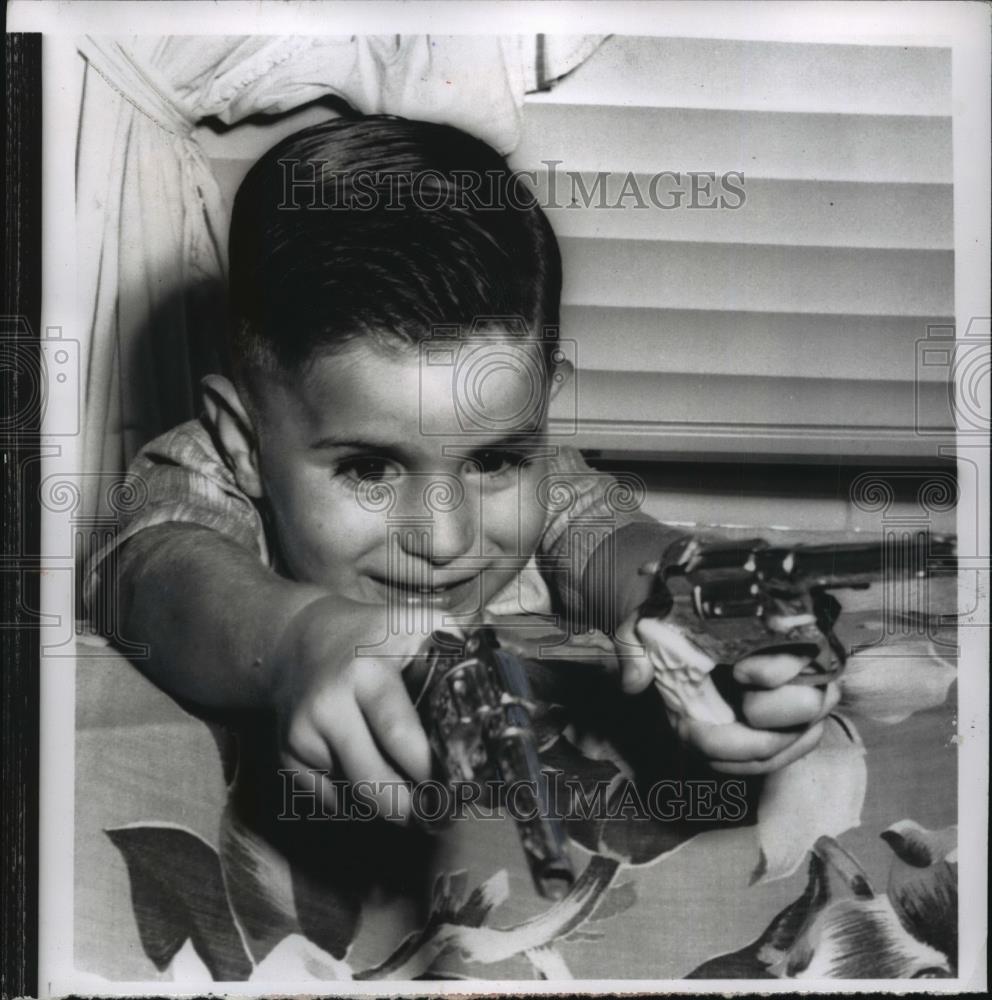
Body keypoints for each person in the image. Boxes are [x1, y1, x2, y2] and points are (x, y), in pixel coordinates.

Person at [89, 115, 837, 957]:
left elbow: (613, 541)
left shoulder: (541, 470)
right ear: (241, 438)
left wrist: (686, 607)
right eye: (370, 469)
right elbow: (149, 565)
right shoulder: (205, 466)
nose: (445, 539)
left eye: (493, 460)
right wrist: (299, 638)